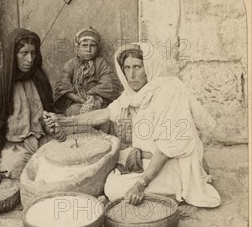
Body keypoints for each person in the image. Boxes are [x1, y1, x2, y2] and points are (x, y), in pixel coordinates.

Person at [55, 43, 220, 208]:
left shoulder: (169, 91)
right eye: (127, 68)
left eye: (137, 67)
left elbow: (165, 151)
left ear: (149, 67)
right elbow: (106, 113)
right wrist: (66, 121)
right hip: (147, 157)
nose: (131, 75)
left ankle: (174, 189)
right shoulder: (132, 95)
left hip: (173, 165)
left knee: (113, 188)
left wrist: (140, 184)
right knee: (106, 162)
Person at [0, 28, 66, 186]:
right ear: (12, 55)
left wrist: (52, 128)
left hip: (42, 140)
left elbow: (46, 116)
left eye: (33, 53)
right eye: (24, 53)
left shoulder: (39, 78)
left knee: (64, 163)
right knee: (16, 172)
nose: (30, 59)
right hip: (15, 146)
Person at [54, 27, 121, 116]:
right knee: (75, 111)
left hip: (96, 100)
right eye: (84, 45)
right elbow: (62, 86)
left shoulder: (100, 63)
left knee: (96, 111)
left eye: (92, 45)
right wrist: (79, 99)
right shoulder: (71, 64)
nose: (88, 50)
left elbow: (108, 84)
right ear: (78, 47)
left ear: (97, 48)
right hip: (75, 102)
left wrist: (89, 95)